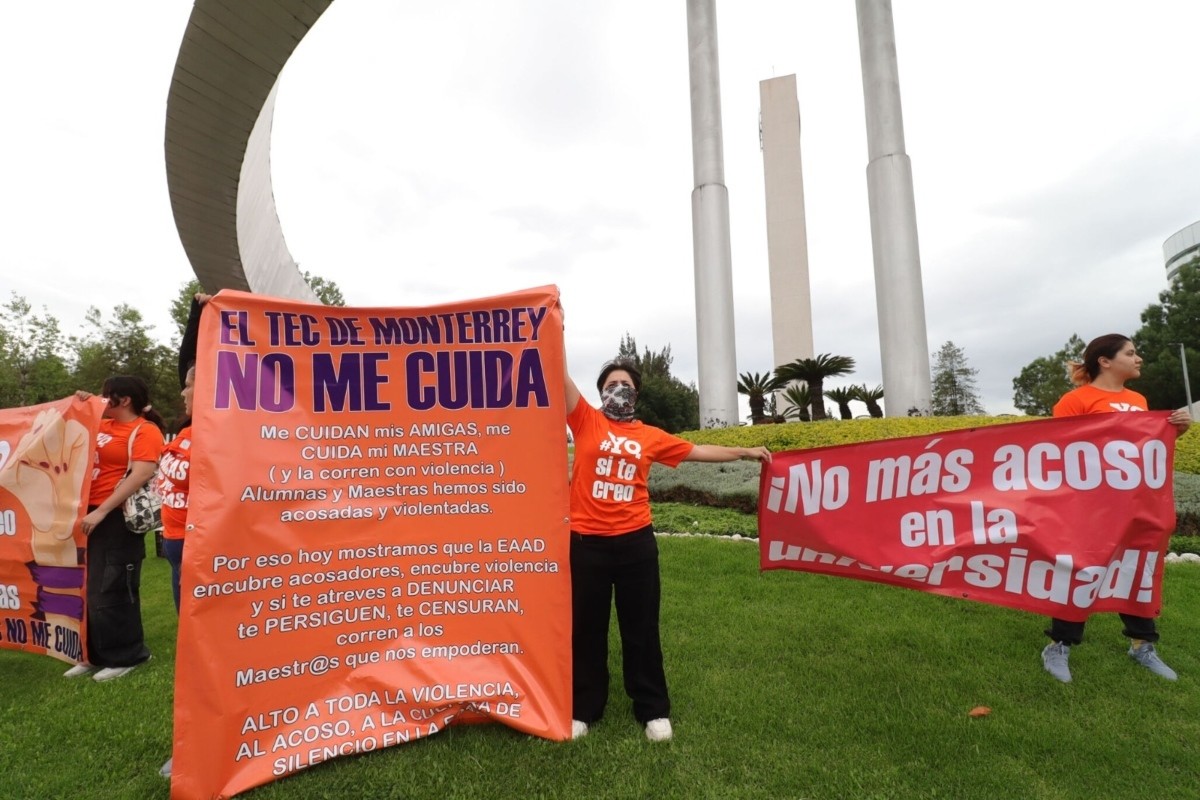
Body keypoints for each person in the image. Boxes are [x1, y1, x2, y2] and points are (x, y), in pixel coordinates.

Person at [565, 357, 771, 742]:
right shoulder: (584, 420)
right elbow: (559, 375)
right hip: (587, 545)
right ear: (600, 393)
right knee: (587, 630)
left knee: (641, 629)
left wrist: (745, 451)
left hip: (635, 545)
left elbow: (698, 451)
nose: (618, 389)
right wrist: (555, 322)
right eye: (611, 384)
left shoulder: (651, 436)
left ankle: (652, 709)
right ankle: (584, 708)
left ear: (636, 394)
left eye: (625, 384)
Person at [1041, 334, 1191, 683]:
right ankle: (1059, 645)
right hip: (1090, 507)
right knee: (1082, 570)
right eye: (1131, 353)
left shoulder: (1138, 399)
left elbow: (1140, 450)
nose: (1139, 359)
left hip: (1135, 503)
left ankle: (1142, 646)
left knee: (1136, 570)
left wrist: (1174, 432)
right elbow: (1061, 450)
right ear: (1105, 361)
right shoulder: (1075, 400)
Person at [66, 375, 165, 681]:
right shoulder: (102, 424)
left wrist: (103, 511)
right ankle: (92, 652)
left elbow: (140, 475)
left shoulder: (145, 431)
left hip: (115, 516)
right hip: (87, 511)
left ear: (124, 401)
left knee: (113, 583)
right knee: (85, 585)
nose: (101, 399)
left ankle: (128, 653)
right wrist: (79, 403)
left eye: (106, 396)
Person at [159, 291, 209, 779]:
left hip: (200, 549)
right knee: (189, 643)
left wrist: (202, 314)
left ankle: (199, 745)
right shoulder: (185, 429)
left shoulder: (217, 430)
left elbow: (194, 361)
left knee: (199, 645)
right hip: (173, 545)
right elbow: (187, 363)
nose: (182, 392)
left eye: (190, 386)